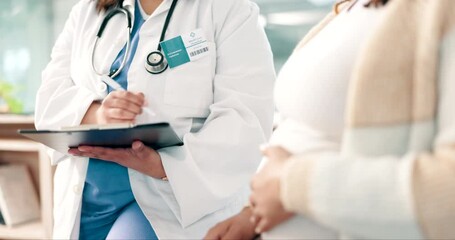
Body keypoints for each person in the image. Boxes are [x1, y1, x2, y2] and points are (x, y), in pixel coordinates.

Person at [205, 0, 455, 239]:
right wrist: (254, 214)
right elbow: (312, 133)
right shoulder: (351, 8)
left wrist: (289, 185)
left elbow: (447, 194)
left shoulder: (442, 10)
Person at [34, 0, 275, 239]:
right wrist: (99, 113)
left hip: (168, 199)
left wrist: (163, 166)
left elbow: (246, 119)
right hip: (85, 199)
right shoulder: (85, 12)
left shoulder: (228, 10)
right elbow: (48, 100)